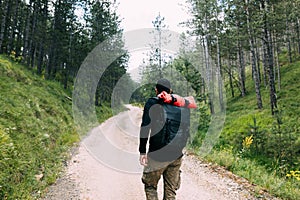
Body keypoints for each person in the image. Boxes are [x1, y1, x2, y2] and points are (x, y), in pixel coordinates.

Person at [139, 78, 196, 200]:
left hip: (157, 156)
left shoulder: (152, 103)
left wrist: (142, 151)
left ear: (156, 90)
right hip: (176, 155)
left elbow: (145, 127)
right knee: (171, 191)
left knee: (150, 186)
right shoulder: (183, 105)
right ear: (170, 90)